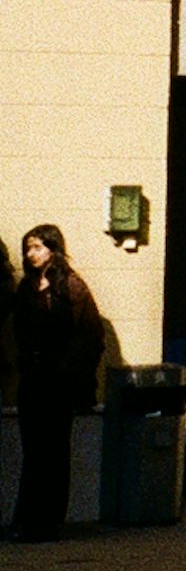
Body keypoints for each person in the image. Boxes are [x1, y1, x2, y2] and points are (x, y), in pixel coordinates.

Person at [10, 224, 105, 542]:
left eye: (37, 247)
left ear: (53, 249)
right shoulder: (26, 288)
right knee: (34, 452)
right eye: (28, 248)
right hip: (34, 380)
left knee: (53, 452)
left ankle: (46, 522)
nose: (30, 254)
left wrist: (68, 371)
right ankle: (27, 519)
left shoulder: (71, 287)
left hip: (59, 382)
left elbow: (90, 336)